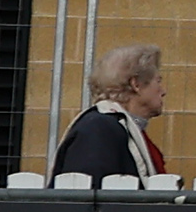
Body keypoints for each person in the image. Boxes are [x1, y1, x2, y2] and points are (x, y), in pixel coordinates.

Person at [54, 44, 169, 184]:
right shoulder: (98, 129)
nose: (163, 91)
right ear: (136, 84)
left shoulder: (113, 127)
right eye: (158, 81)